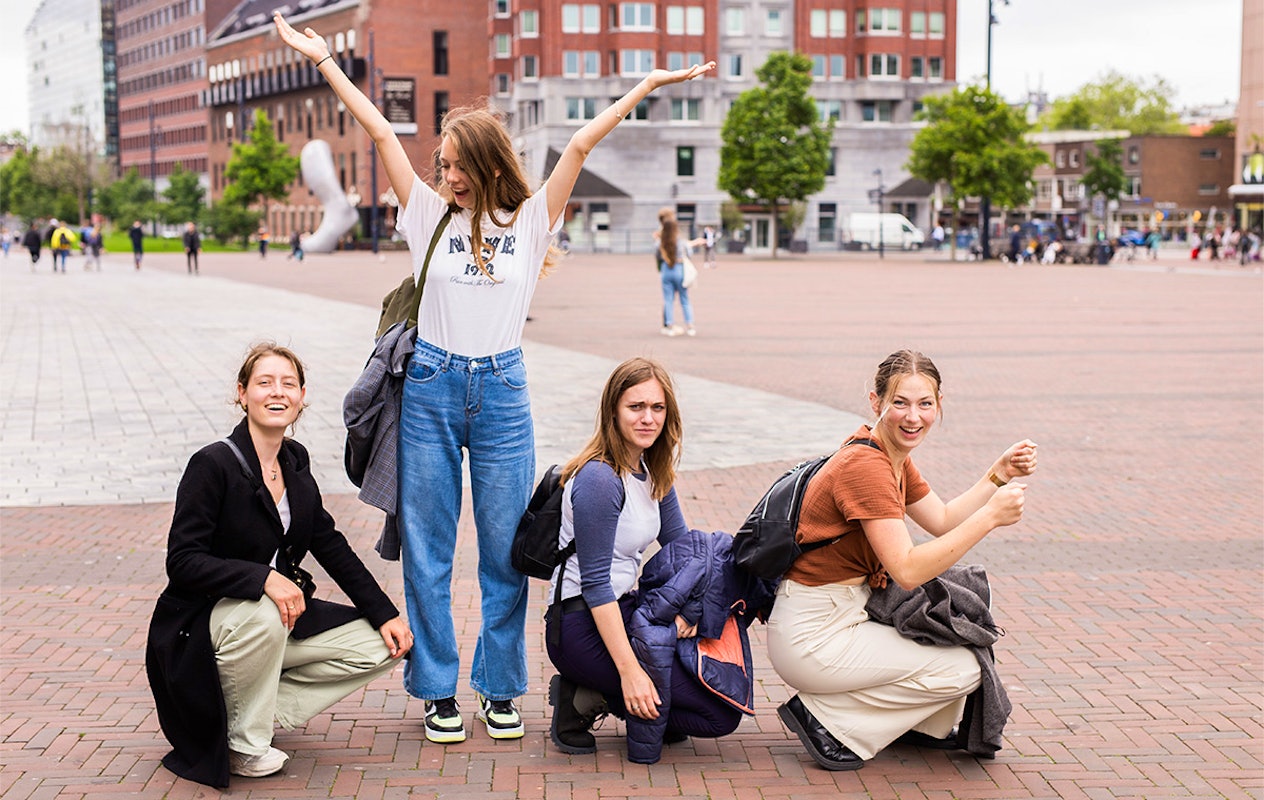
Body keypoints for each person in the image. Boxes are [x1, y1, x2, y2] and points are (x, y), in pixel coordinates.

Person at [274, 10, 715, 745]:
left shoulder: (531, 219)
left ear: (484, 164)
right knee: (429, 545)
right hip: (433, 388)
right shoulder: (427, 216)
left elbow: (579, 141)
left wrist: (647, 84)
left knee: (509, 546)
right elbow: (383, 133)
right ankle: (438, 689)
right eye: (440, 166)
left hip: (504, 390)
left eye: (454, 166)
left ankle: (501, 687)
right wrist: (325, 62)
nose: (444, 176)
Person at [145, 343, 413, 788]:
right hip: (205, 626)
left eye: (288, 383)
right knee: (268, 612)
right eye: (265, 382)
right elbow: (183, 562)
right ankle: (244, 747)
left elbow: (330, 544)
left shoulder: (295, 461)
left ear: (302, 396)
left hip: (274, 621)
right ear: (242, 393)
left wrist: (385, 613)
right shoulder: (212, 464)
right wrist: (263, 577)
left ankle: (247, 715)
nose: (278, 392)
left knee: (382, 645)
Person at [766, 349, 1037, 772]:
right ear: (875, 403)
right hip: (813, 636)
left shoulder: (889, 456)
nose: (913, 417)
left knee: (956, 645)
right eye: (900, 403)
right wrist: (989, 518)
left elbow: (943, 520)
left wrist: (997, 474)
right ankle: (829, 721)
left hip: (841, 616)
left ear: (939, 405)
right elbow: (906, 570)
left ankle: (914, 724)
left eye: (925, 404)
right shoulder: (866, 467)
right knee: (965, 669)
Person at [544, 357, 756, 762]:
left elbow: (683, 551)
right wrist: (630, 673)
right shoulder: (599, 480)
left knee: (720, 703)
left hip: (631, 612)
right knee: (714, 715)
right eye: (635, 407)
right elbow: (595, 586)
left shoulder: (653, 470)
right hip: (581, 624)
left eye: (657, 408)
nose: (647, 418)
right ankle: (584, 695)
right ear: (613, 412)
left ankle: (636, 699)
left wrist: (694, 615)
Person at [657, 217, 698, 336]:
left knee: (668, 300)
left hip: (666, 269)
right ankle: (690, 326)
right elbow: (689, 254)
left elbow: (657, 255)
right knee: (684, 298)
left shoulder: (660, 241)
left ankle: (669, 326)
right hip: (679, 268)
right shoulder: (681, 240)